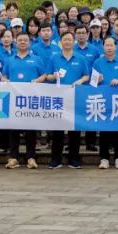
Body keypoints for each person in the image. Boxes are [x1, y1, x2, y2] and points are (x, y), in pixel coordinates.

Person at [4, 29, 48, 168]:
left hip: (31, 100)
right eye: (20, 40)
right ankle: (13, 157)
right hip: (14, 99)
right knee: (13, 129)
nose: (23, 42)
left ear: (29, 43)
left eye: (25, 40)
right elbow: (3, 76)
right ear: (16, 42)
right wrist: (6, 81)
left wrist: (37, 80)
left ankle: (31, 157)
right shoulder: (10, 60)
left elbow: (44, 75)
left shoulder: (36, 59)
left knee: (31, 129)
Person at [48, 29, 89, 169]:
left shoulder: (80, 58)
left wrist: (80, 81)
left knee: (74, 129)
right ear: (60, 42)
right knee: (57, 130)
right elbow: (47, 76)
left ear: (74, 41)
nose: (67, 42)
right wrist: (53, 76)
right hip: (58, 98)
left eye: (69, 39)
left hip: (75, 97)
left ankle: (74, 159)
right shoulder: (54, 58)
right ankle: (55, 159)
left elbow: (86, 75)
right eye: (64, 39)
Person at [92, 35, 118, 169]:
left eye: (111, 45)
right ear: (103, 47)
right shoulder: (97, 62)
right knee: (104, 131)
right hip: (103, 100)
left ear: (116, 47)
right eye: (107, 45)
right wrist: (97, 80)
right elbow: (92, 83)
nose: (109, 48)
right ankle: (104, 158)